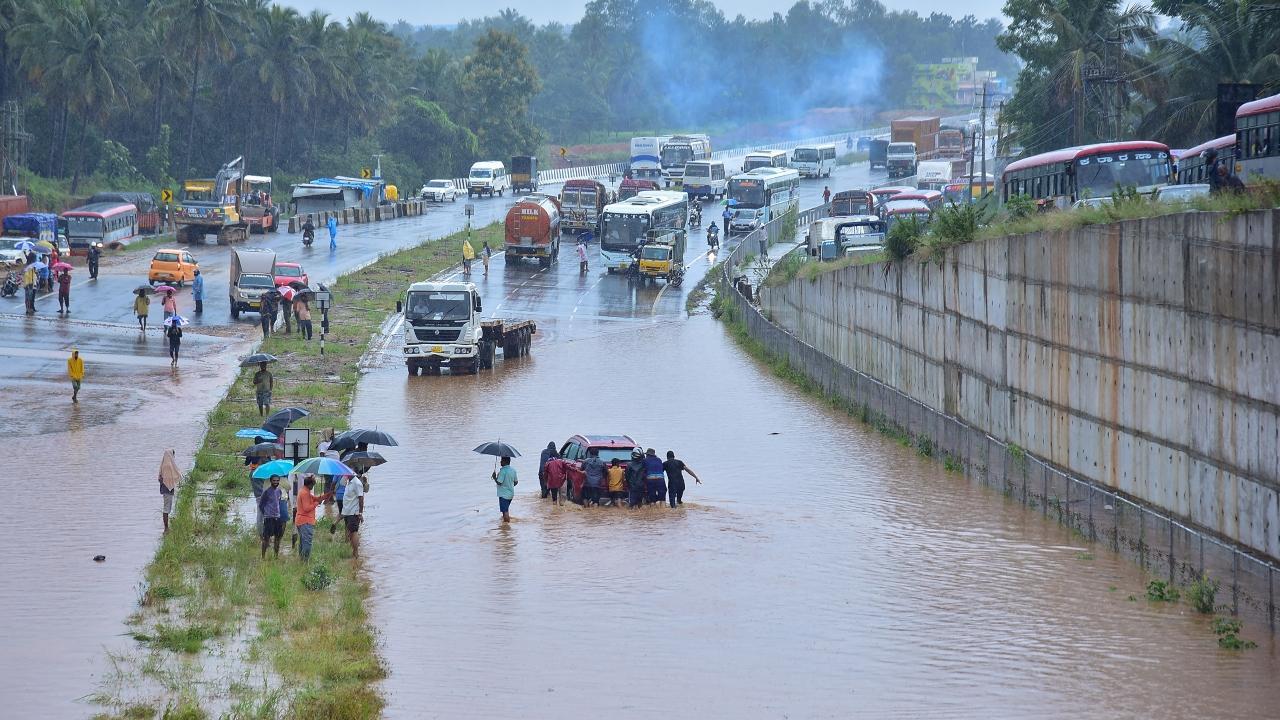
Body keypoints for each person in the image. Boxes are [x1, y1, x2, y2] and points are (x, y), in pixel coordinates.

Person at [295, 476, 333, 561]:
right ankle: (305, 561)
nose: (313, 487)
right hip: (306, 521)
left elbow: (316, 499)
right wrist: (316, 503)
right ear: (309, 484)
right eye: (313, 485)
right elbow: (306, 508)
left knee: (302, 543)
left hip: (301, 521)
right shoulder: (305, 493)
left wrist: (326, 495)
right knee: (307, 544)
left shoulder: (304, 491)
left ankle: (302, 561)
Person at [258, 475, 286, 559]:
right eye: (274, 481)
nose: (276, 482)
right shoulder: (266, 492)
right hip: (268, 518)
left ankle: (276, 557)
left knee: (277, 538)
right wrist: (266, 513)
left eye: (277, 481)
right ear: (270, 481)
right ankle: (263, 557)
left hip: (277, 517)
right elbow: (261, 505)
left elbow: (278, 503)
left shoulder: (279, 491)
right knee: (266, 538)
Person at [342, 471, 365, 557]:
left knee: (354, 531)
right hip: (348, 512)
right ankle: (354, 552)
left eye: (346, 473)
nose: (344, 475)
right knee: (351, 533)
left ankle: (356, 553)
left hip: (353, 513)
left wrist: (360, 513)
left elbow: (361, 498)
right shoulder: (349, 482)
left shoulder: (356, 483)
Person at [493, 456, 517, 522]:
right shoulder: (513, 470)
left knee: (505, 510)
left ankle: (507, 526)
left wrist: (494, 478)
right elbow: (516, 482)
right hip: (511, 494)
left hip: (503, 495)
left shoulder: (503, 471)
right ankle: (506, 523)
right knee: (505, 509)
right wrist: (509, 486)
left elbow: (499, 482)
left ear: (505, 462)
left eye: (501, 460)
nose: (500, 462)